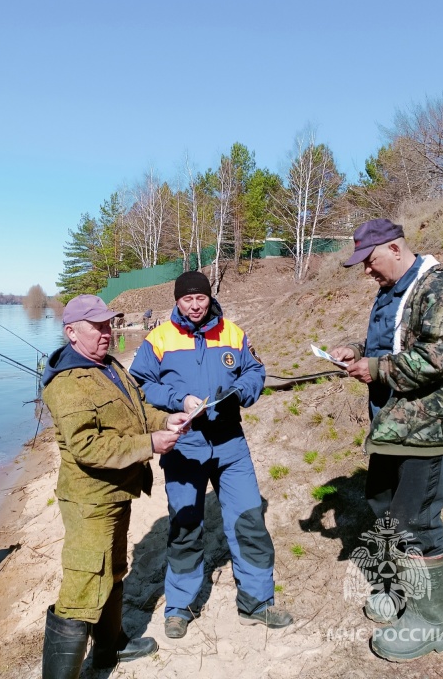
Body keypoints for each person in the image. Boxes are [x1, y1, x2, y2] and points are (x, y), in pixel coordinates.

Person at [330, 219, 443, 662]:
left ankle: (434, 622)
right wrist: (357, 350)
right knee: (383, 509)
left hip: (424, 429)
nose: (366, 272)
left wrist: (376, 370)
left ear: (394, 248)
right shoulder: (392, 289)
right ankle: (396, 587)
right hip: (391, 426)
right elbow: (393, 342)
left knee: (417, 521)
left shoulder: (439, 287)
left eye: (370, 261)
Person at [130, 271, 292, 639]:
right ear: (177, 301)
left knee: (249, 520)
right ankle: (179, 607)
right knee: (185, 526)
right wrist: (178, 400)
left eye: (200, 298)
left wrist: (241, 392)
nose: (195, 305)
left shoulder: (233, 333)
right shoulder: (158, 339)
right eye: (187, 300)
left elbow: (255, 370)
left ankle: (257, 602)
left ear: (209, 297)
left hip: (230, 443)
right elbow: (140, 384)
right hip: (184, 446)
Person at [40, 294, 189, 679]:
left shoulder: (108, 367)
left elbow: (138, 409)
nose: (109, 332)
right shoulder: (68, 384)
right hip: (90, 501)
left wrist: (165, 422)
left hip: (117, 492)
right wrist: (150, 445)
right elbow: (87, 446)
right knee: (82, 587)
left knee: (114, 570)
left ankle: (110, 648)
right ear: (71, 333)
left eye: (110, 324)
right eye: (99, 326)